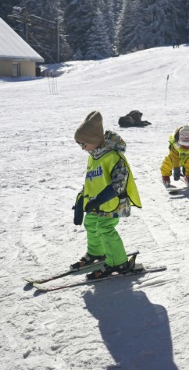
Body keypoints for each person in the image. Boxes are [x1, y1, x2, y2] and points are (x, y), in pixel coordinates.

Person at [70, 110, 141, 280]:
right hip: (97, 203)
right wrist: (80, 200)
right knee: (91, 223)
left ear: (94, 141)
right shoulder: (93, 156)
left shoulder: (114, 156)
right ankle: (97, 253)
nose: (82, 149)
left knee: (105, 228)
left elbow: (119, 183)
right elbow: (90, 182)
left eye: (83, 144)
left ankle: (118, 263)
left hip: (113, 202)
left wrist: (101, 199)